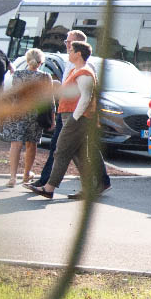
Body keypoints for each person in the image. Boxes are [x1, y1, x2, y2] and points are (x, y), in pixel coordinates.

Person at [29, 30, 111, 196]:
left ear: (78, 53)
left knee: (61, 151)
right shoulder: (76, 70)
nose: (68, 50)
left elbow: (86, 98)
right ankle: (90, 188)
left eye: (71, 49)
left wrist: (74, 118)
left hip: (76, 118)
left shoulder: (85, 72)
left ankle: (49, 188)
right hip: (69, 115)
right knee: (78, 155)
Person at [0, 48, 53, 187]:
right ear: (41, 62)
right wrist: (52, 119)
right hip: (36, 114)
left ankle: (12, 177)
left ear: (27, 60)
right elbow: (49, 100)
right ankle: (26, 174)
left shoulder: (17, 75)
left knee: (15, 144)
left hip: (17, 112)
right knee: (31, 144)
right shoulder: (46, 77)